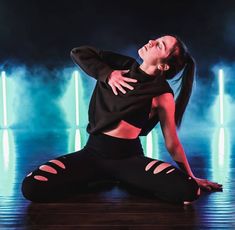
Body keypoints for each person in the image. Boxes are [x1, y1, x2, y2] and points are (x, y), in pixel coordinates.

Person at [21, 35, 223, 204]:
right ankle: (99, 179)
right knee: (32, 186)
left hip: (129, 159)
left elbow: (172, 142)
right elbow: (79, 52)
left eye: (160, 45)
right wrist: (108, 75)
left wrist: (193, 177)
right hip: (92, 154)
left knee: (188, 191)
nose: (152, 41)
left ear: (163, 66)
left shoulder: (162, 94)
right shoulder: (120, 65)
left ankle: (126, 180)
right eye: (157, 39)